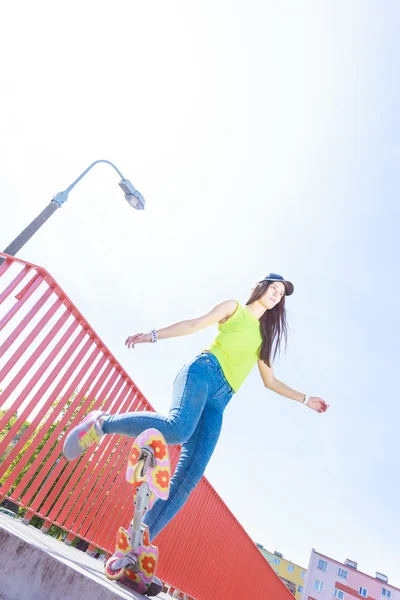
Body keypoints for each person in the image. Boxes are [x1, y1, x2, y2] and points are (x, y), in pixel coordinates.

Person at [63, 273, 329, 541]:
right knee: (178, 428)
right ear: (259, 287)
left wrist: (306, 400)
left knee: (192, 474)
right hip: (203, 372)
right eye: (273, 288)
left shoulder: (263, 339)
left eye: (280, 294)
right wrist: (153, 335)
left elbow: (270, 381)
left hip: (220, 401)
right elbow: (195, 324)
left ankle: (139, 540)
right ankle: (101, 423)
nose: (276, 295)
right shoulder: (234, 308)